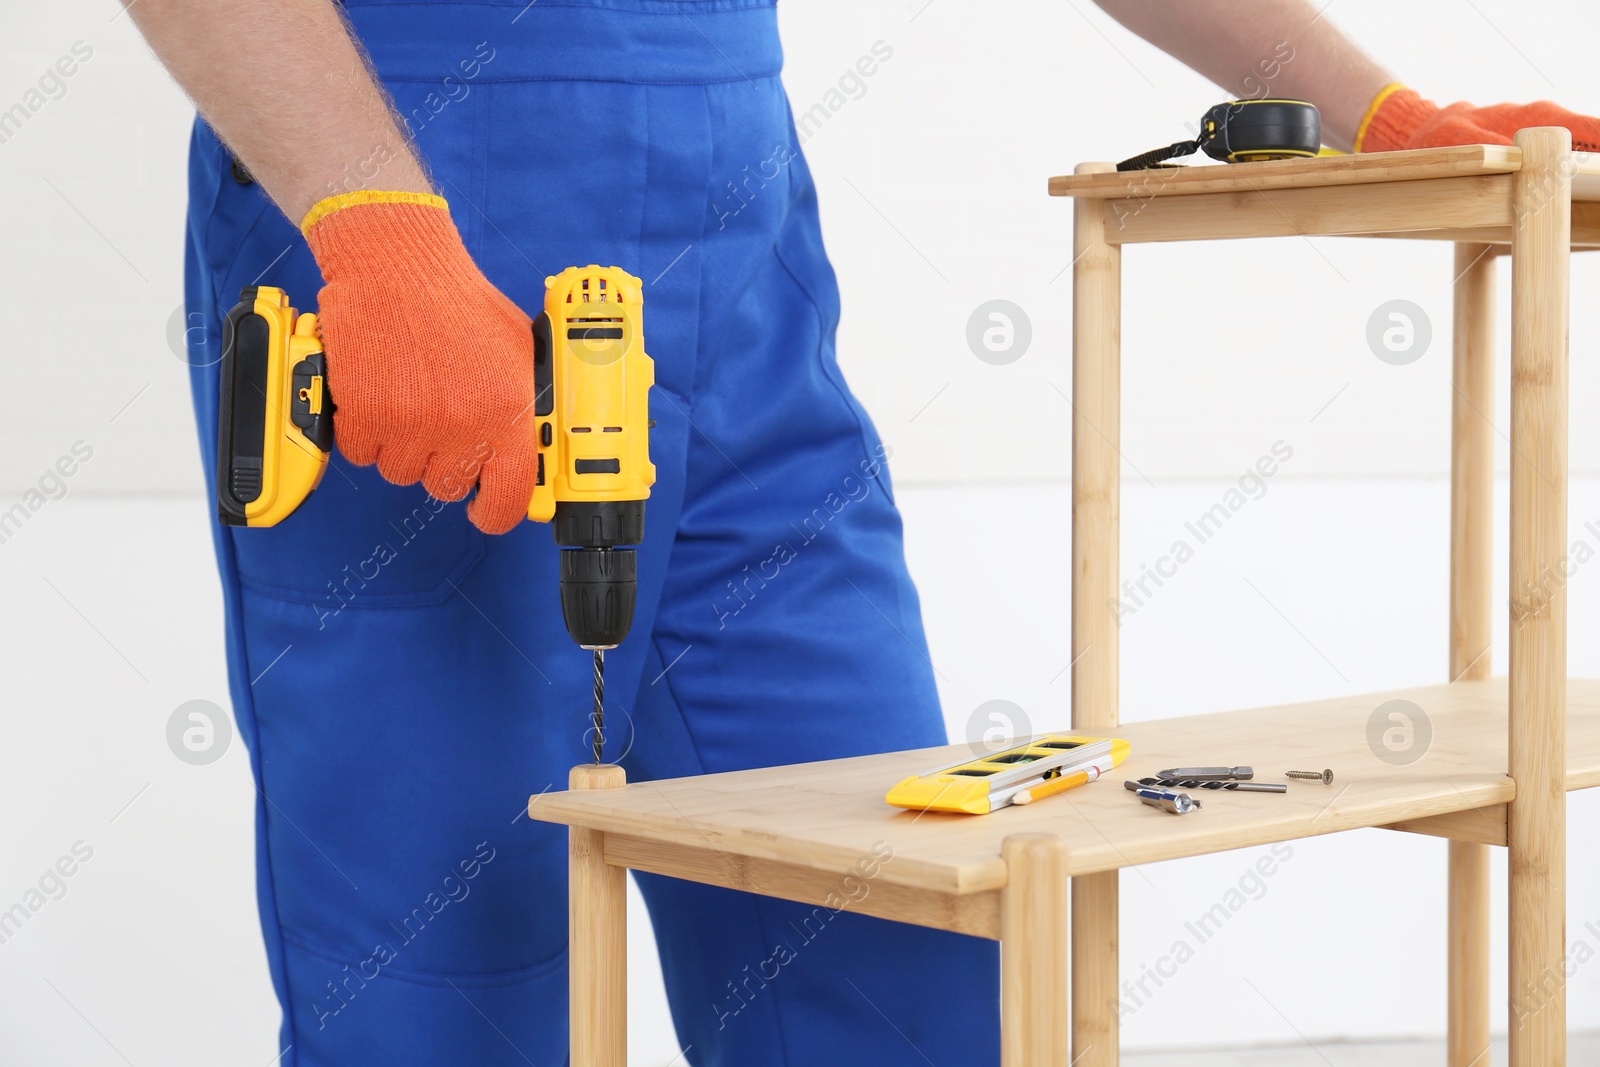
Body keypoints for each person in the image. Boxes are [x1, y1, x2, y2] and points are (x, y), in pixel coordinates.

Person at [127, 0, 1598, 1062]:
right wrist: (373, 222)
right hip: (427, 223)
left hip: (742, 266)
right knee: (446, 986)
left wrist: (1377, 112)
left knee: (896, 954)